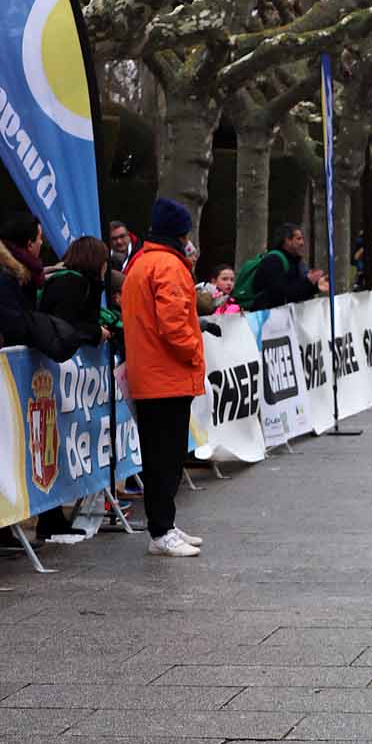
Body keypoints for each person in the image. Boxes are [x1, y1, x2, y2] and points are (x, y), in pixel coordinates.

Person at [120, 197, 206, 558]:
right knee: (165, 457)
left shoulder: (143, 263)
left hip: (152, 375)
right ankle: (161, 531)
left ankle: (165, 524)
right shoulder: (169, 267)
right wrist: (194, 352)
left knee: (161, 455)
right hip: (166, 376)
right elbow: (174, 325)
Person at [35, 235, 113, 544]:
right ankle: (50, 518)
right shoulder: (72, 285)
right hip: (56, 373)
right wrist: (95, 332)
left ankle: (54, 516)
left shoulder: (76, 282)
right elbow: (64, 326)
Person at [0, 211, 82, 362]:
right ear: (29, 244)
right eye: (40, 238)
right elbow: (11, 328)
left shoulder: (19, 274)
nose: (41, 243)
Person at [248, 224, 329, 311]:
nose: (302, 243)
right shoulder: (273, 261)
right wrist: (308, 282)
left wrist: (316, 287)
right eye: (298, 239)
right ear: (287, 240)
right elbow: (281, 294)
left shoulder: (295, 262)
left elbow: (296, 294)